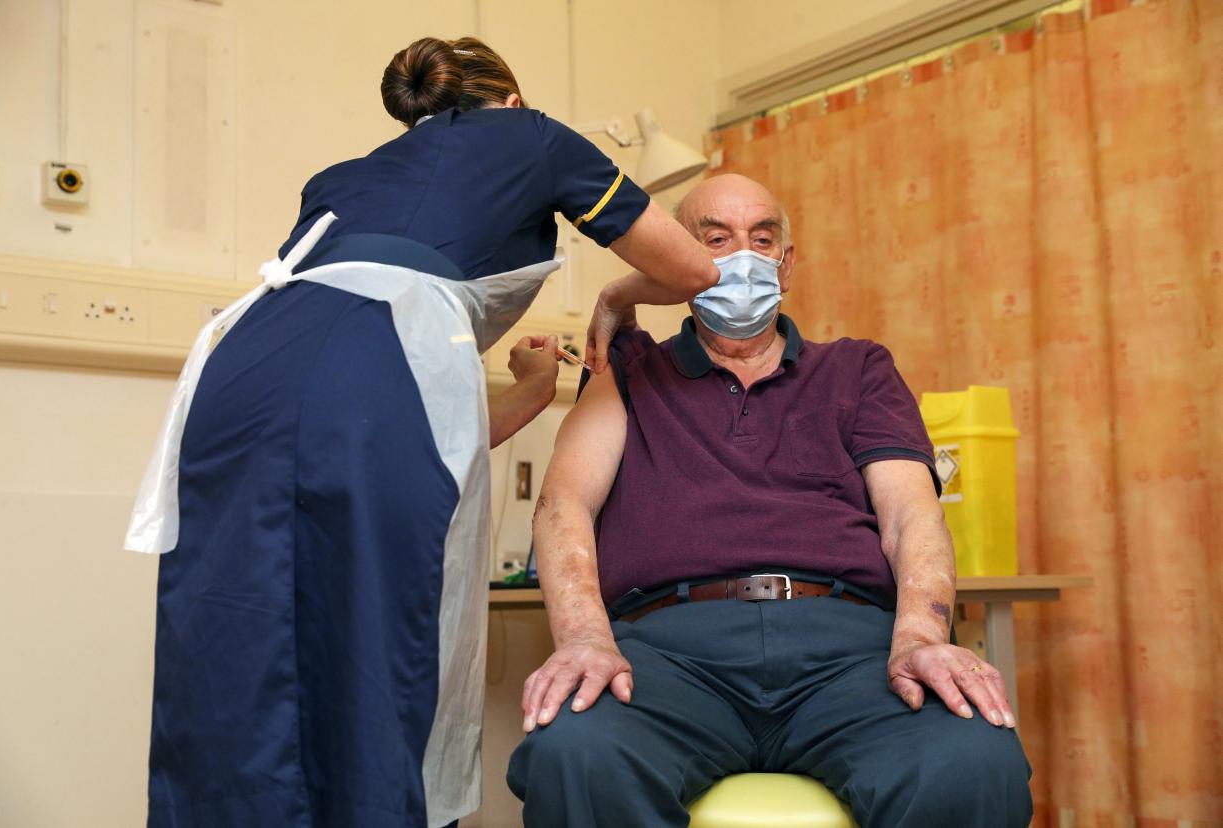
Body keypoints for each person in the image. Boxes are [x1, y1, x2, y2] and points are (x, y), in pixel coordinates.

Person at [126, 36, 717, 828]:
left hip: (237, 376)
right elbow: (692, 271)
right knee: (376, 640)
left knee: (240, 633)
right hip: (371, 374)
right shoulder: (532, 133)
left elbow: (400, 435)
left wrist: (534, 392)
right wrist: (613, 298)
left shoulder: (342, 181)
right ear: (510, 97)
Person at [507, 174, 1033, 827]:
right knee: (576, 751)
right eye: (716, 239)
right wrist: (585, 639)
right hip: (672, 654)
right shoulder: (633, 372)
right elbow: (563, 507)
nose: (744, 257)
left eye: (763, 238)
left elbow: (910, 512)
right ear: (679, 257)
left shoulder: (858, 369)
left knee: (971, 759)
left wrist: (920, 637)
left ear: (787, 263)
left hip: (848, 651)